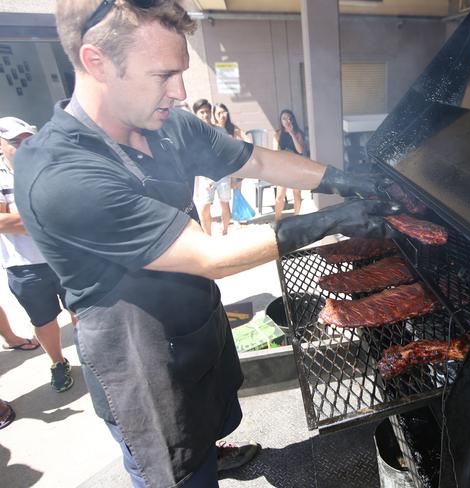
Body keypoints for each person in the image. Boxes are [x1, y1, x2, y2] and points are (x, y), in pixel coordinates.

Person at [15, 1, 394, 486]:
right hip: (137, 354)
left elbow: (254, 162)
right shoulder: (59, 174)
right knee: (174, 466)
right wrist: (330, 221)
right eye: (164, 75)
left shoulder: (165, 123)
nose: (180, 91)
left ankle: (209, 452)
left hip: (193, 324)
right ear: (96, 63)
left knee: (207, 425)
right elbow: (208, 256)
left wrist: (349, 181)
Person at [0, 116, 74, 392]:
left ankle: (92, 360)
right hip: (23, 267)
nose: (22, 146)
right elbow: (4, 223)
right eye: (14, 142)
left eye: (27, 139)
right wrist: (38, 215)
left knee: (81, 312)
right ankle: (58, 362)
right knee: (43, 322)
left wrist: (16, 216)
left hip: (64, 257)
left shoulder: (51, 168)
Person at [192, 98, 232, 235]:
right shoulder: (193, 134)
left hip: (222, 174)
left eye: (207, 112)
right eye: (202, 112)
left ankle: (225, 231)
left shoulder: (220, 131)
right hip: (205, 176)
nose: (205, 115)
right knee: (204, 208)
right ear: (196, 114)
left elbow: (227, 152)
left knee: (224, 204)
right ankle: (208, 237)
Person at [213, 103, 254, 223]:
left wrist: (240, 149)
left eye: (224, 112)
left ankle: (238, 216)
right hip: (221, 166)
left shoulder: (232, 128)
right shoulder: (213, 129)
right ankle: (229, 216)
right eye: (219, 113)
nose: (222, 115)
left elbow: (248, 141)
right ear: (214, 115)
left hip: (234, 165)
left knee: (236, 190)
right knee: (224, 196)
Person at [273, 109, 306, 221]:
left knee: (297, 195)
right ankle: (277, 221)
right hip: (282, 168)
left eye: (289, 118)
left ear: (292, 120)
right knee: (279, 197)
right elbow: (275, 153)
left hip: (296, 168)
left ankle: (296, 220)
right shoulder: (277, 134)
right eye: (284, 118)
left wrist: (291, 133)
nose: (286, 120)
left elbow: (300, 150)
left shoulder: (298, 133)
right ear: (280, 121)